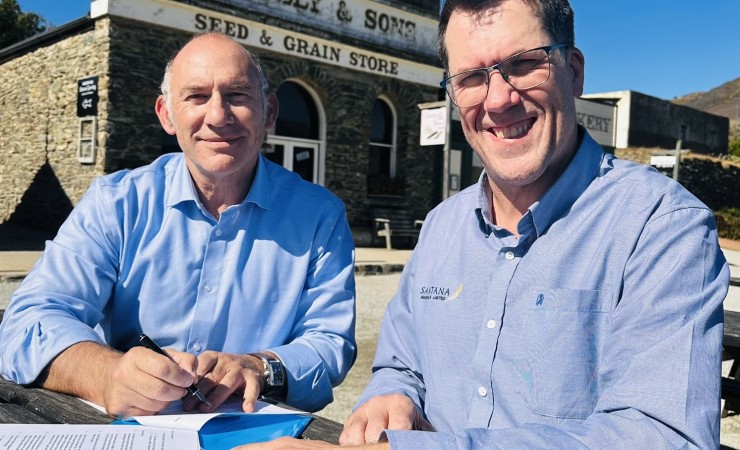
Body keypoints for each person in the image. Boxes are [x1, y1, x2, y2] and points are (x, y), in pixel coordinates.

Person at [234, 0, 729, 449]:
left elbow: (667, 436)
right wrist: (393, 395)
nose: (497, 100)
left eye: (523, 64)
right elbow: (401, 365)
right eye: (471, 77)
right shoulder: (442, 225)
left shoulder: (660, 227)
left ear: (574, 71)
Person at [0, 32, 356, 418]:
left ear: (269, 112)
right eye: (197, 96)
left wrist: (260, 366)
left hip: (252, 431)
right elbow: (29, 321)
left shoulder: (320, 216)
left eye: (237, 95)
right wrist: (106, 374)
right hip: (129, 428)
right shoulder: (117, 203)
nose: (217, 116)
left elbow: (330, 342)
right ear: (166, 114)